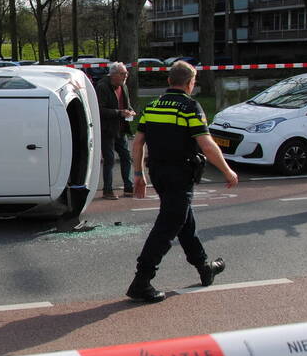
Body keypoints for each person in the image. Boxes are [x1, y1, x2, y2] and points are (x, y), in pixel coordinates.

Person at [128, 61, 239, 303]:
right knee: (168, 225)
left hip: (158, 173)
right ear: (190, 83)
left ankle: (204, 268)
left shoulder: (153, 105)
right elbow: (207, 145)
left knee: (183, 222)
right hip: (180, 174)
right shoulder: (190, 107)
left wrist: (139, 175)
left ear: (169, 81)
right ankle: (141, 280)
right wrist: (228, 171)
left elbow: (137, 143)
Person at [95, 62, 136, 200]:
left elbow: (126, 104)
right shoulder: (102, 87)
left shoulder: (123, 86)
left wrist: (130, 111)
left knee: (126, 156)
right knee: (110, 159)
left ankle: (129, 188)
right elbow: (99, 110)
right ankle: (107, 190)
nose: (126, 76)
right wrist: (119, 113)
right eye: (122, 73)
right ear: (113, 75)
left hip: (121, 129)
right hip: (107, 130)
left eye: (126, 73)